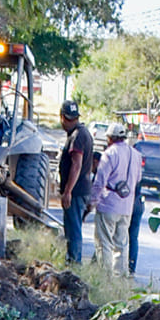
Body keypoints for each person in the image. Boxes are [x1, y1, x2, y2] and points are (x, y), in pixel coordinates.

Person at [90, 122, 138, 276]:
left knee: (104, 242)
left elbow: (100, 181)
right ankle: (121, 277)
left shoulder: (109, 154)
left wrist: (92, 201)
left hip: (108, 204)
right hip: (127, 206)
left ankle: (106, 277)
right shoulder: (136, 155)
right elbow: (137, 179)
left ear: (110, 138)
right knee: (122, 245)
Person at [57, 100, 94, 264]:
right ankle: (72, 260)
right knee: (73, 227)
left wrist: (68, 191)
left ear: (62, 117)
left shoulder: (78, 136)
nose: (69, 122)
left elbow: (77, 165)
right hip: (81, 189)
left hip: (77, 191)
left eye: (71, 119)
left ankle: (74, 263)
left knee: (73, 229)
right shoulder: (83, 133)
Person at [128, 147, 147, 275]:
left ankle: (124, 264)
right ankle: (131, 265)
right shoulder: (137, 168)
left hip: (128, 202)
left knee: (120, 234)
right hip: (139, 201)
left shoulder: (123, 167)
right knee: (133, 237)